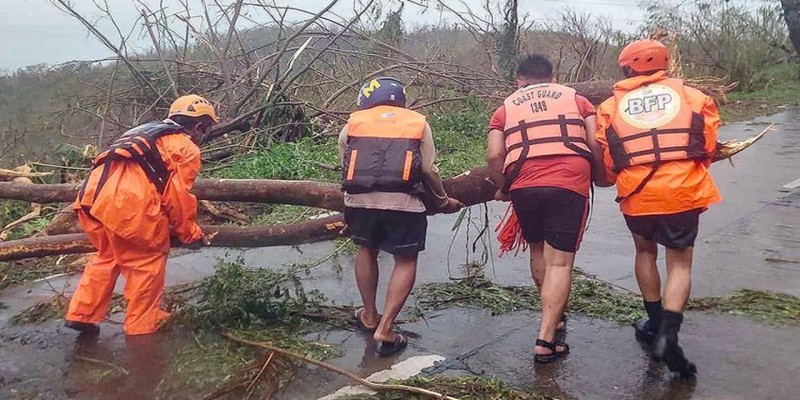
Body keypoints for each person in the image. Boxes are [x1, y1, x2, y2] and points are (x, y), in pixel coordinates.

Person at [595, 39, 722, 376]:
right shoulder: (696, 97)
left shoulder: (609, 107)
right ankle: (669, 333)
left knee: (645, 253)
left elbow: (610, 161)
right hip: (683, 192)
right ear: (665, 64)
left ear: (626, 68)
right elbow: (707, 148)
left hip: (638, 196)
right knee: (679, 264)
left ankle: (653, 325)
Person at [65, 95, 218, 336]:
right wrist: (190, 234)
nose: (204, 136)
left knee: (107, 256)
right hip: (126, 207)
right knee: (146, 262)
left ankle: (82, 314)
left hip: (90, 201)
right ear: (199, 126)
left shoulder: (141, 133)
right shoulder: (185, 147)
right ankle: (141, 332)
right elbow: (178, 197)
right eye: (206, 130)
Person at [486, 54, 604, 363]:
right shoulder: (578, 100)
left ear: (519, 80)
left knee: (538, 251)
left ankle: (553, 318)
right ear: (553, 78)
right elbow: (595, 143)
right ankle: (546, 338)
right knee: (560, 264)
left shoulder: (504, 108)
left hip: (524, 183)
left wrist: (503, 187)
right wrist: (602, 175)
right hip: (568, 181)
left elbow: (494, 155)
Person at [339, 77, 464, 356]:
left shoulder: (353, 123)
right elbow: (429, 170)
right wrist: (442, 201)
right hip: (404, 203)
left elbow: (345, 165)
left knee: (366, 249)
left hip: (360, 202)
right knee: (405, 260)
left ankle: (369, 315)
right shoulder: (418, 123)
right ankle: (386, 327)